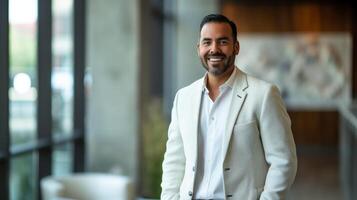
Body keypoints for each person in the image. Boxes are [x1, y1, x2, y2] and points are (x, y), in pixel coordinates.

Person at [161, 14, 297, 200]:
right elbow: (174, 162)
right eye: (207, 42)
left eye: (222, 41)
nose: (214, 49)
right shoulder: (183, 98)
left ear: (236, 47)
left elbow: (284, 161)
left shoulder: (264, 95)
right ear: (199, 48)